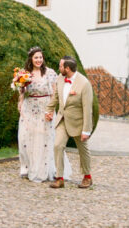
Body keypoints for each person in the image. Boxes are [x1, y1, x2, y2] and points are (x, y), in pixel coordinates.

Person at [17, 46, 67, 182]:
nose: (38, 60)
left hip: (45, 108)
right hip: (29, 108)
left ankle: (44, 169)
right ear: (31, 59)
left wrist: (51, 110)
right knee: (25, 137)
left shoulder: (50, 73)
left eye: (40, 57)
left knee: (44, 139)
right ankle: (27, 167)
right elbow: (22, 91)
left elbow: (55, 93)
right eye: (36, 57)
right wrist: (20, 102)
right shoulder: (25, 74)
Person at [45, 55, 94, 189]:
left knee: (83, 150)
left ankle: (87, 177)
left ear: (67, 68)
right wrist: (48, 110)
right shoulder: (60, 78)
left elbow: (87, 109)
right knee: (57, 146)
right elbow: (56, 97)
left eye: (61, 66)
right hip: (62, 119)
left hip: (78, 123)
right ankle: (59, 178)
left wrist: (86, 130)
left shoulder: (84, 84)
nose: (58, 68)